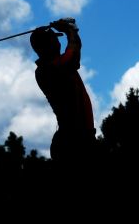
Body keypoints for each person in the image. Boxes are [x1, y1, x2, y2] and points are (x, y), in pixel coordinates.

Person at [30, 18, 95, 170]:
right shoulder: (47, 70)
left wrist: (71, 32)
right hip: (72, 142)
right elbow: (72, 55)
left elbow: (74, 54)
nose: (58, 43)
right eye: (54, 39)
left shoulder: (58, 64)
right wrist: (70, 31)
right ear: (47, 45)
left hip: (80, 138)